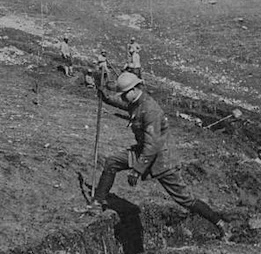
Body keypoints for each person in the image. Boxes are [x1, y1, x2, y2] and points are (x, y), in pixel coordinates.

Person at [86, 72, 230, 240]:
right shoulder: (135, 102)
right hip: (145, 152)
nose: (123, 96)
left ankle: (220, 223)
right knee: (112, 162)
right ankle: (97, 203)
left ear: (134, 89)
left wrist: (137, 170)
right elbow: (122, 103)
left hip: (162, 159)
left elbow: (152, 145)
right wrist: (106, 97)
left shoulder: (150, 109)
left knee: (185, 199)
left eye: (124, 93)